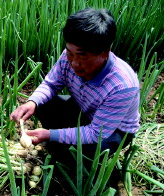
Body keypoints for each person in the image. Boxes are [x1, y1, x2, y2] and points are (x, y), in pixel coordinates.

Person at [10, 8, 140, 164]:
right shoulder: (68, 56)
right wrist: (32, 102)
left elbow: (95, 133)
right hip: (85, 110)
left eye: (82, 56)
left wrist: (51, 134)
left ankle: (71, 156)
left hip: (111, 131)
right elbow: (51, 84)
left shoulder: (122, 85)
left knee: (91, 150)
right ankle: (62, 142)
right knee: (42, 104)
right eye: (70, 52)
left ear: (105, 52)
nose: (74, 62)